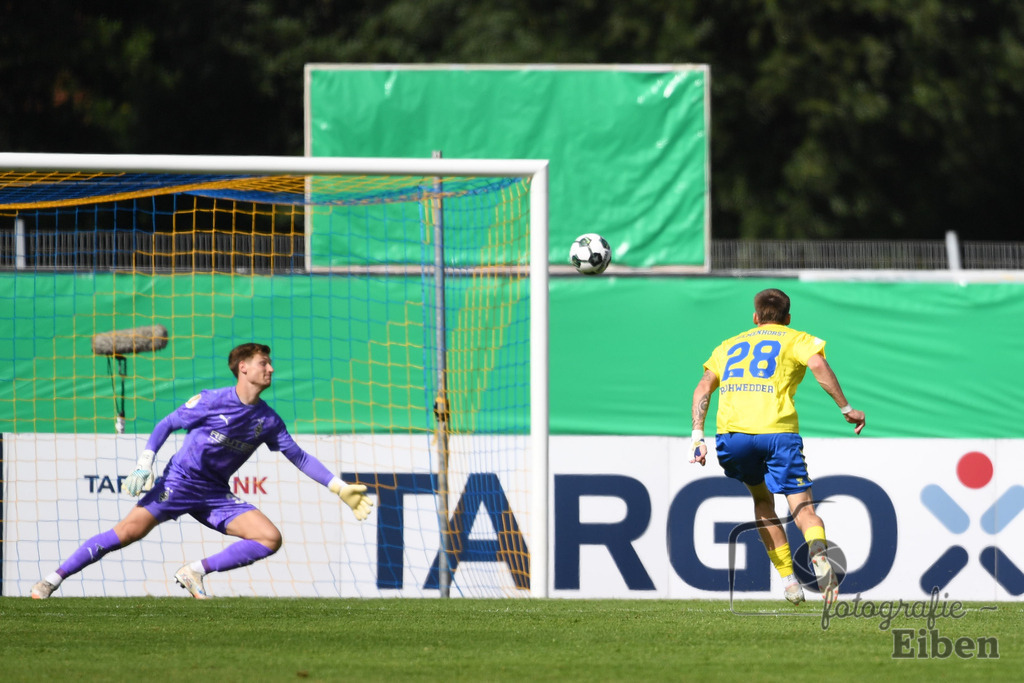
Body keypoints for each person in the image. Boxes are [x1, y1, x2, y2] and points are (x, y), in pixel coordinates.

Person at [31, 342, 373, 599]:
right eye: (263, 363)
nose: (270, 369)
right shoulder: (212, 400)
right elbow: (167, 423)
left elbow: (298, 456)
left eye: (269, 364)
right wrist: (144, 463)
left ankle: (194, 571)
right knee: (127, 534)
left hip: (214, 493)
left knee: (269, 538)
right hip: (179, 482)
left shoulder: (267, 419)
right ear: (243, 368)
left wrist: (339, 487)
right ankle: (52, 579)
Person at [689, 289, 865, 606]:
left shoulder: (728, 346)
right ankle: (820, 563)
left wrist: (698, 437)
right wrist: (845, 407)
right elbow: (817, 365)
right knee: (804, 510)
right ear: (787, 318)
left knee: (761, 500)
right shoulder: (795, 338)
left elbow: (704, 386)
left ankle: (789, 583)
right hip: (778, 433)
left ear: (755, 317)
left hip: (734, 436)